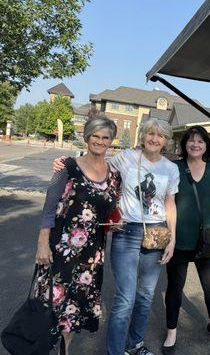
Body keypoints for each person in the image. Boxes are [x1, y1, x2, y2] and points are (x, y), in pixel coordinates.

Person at [53, 118, 179, 355]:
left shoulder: (170, 169)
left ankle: (136, 344)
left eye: (160, 136)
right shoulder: (126, 158)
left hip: (157, 233)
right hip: (127, 232)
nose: (154, 139)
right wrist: (66, 163)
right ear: (142, 136)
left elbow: (170, 203)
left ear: (166, 141)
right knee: (125, 297)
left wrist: (172, 238)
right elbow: (94, 165)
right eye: (150, 134)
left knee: (146, 295)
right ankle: (115, 351)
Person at [35, 116, 121, 355]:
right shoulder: (68, 166)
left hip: (92, 255)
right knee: (52, 304)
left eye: (105, 137)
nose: (100, 141)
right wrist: (42, 244)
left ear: (111, 141)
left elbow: (111, 210)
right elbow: (49, 207)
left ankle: (65, 351)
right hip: (60, 249)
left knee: (74, 308)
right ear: (87, 137)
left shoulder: (114, 175)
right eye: (95, 136)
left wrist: (113, 224)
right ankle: (40, 348)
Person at [163, 126, 210, 352]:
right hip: (178, 239)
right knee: (174, 287)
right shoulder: (175, 167)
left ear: (206, 145)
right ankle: (171, 331)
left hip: (208, 239)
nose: (195, 144)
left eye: (200, 141)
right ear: (185, 144)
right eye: (191, 141)